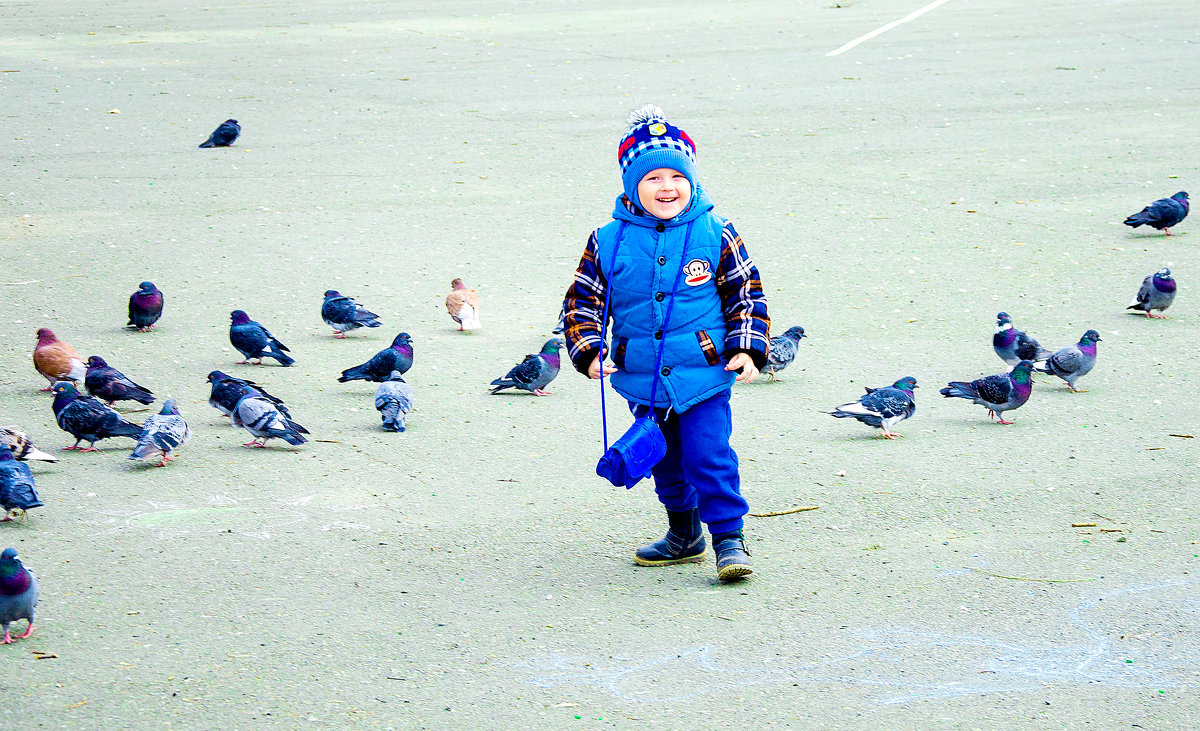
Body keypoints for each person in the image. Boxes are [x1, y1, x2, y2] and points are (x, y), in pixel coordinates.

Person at [563, 104, 771, 582]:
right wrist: (590, 349)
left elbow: (745, 291)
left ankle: (728, 539)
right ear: (631, 185)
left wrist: (747, 345)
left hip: (705, 374)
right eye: (652, 178)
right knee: (664, 459)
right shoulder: (608, 240)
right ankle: (684, 534)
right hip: (644, 378)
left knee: (708, 454)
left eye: (675, 176)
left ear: (691, 180)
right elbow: (582, 302)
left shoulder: (716, 232)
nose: (666, 187)